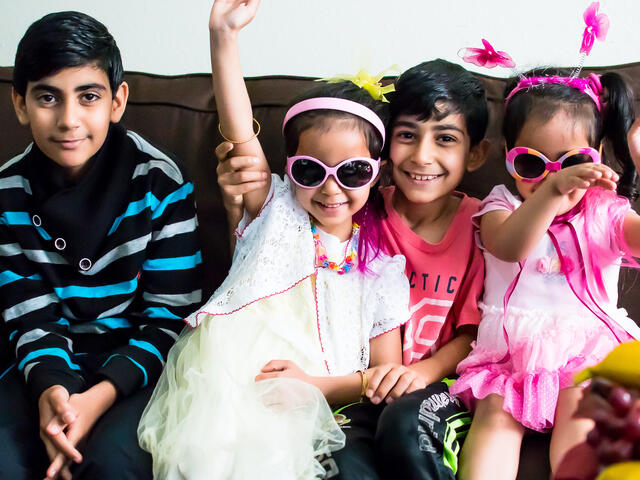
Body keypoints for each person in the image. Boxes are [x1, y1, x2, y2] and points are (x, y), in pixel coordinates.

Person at [137, 1, 410, 479]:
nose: (331, 188)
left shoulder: (383, 266)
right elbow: (239, 130)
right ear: (287, 168)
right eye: (310, 170)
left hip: (315, 399)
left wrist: (315, 388)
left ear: (377, 173)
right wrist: (224, 37)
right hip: (232, 380)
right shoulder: (276, 210)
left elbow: (383, 373)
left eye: (352, 172)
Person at [217, 58, 490, 479]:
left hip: (431, 385)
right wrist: (235, 209)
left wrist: (417, 374)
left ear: (475, 154)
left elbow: (475, 333)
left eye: (445, 139)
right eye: (407, 136)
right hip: (359, 389)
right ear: (383, 152)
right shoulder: (354, 206)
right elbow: (258, 183)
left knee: (403, 428)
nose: (422, 156)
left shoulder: (482, 225)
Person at [0, 11, 202, 480]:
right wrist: (54, 392)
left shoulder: (159, 183)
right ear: (20, 103)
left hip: (138, 366)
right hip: (44, 360)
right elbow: (30, 316)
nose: (69, 120)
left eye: (87, 97)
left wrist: (95, 400)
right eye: (48, 97)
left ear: (116, 101)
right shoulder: (8, 192)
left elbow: (170, 317)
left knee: (112, 464)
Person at [449, 69, 640, 480]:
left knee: (586, 423)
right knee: (495, 417)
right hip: (509, 357)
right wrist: (553, 192)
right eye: (532, 163)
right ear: (507, 153)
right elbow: (509, 247)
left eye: (573, 163)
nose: (555, 177)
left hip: (588, 353)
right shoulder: (500, 204)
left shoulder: (605, 209)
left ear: (599, 154)